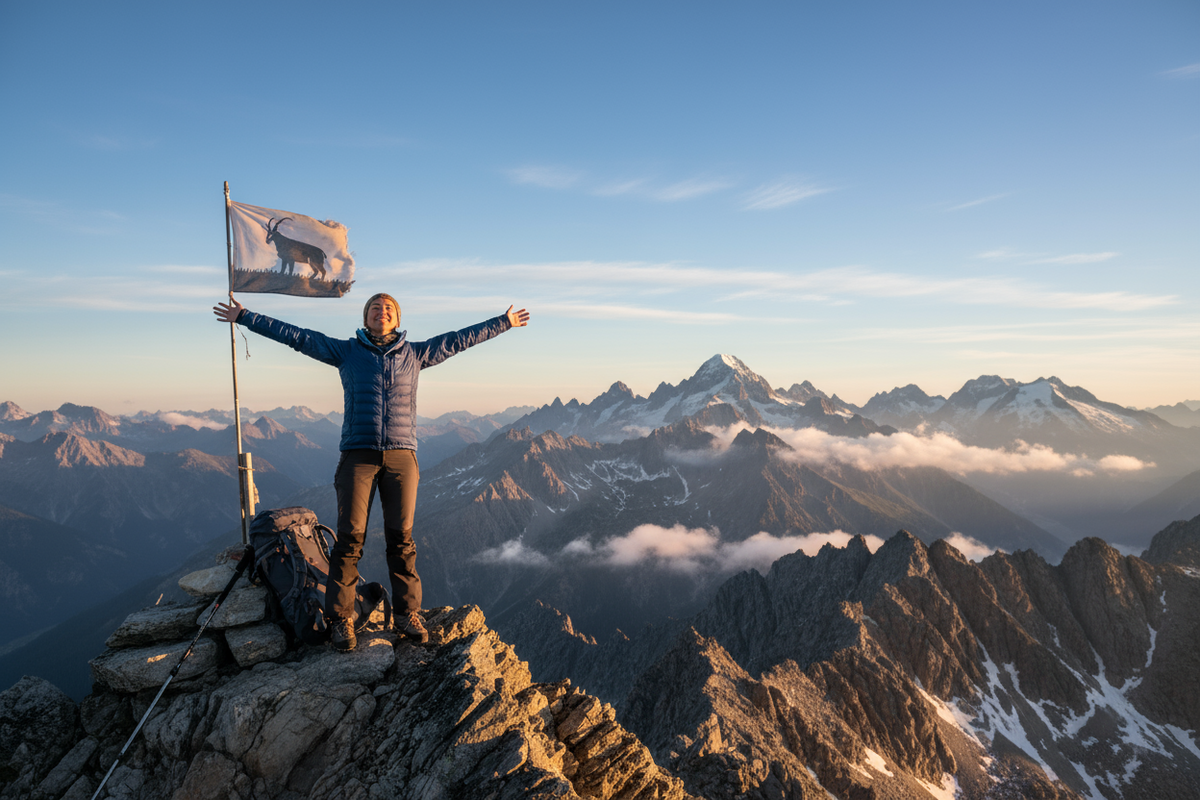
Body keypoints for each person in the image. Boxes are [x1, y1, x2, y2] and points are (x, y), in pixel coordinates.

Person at [213, 292, 530, 651]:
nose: (382, 312)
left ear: (397, 319)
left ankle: (407, 614)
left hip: (401, 457)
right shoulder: (347, 351)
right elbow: (297, 336)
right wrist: (245, 316)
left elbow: (458, 340)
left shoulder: (415, 354)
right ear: (366, 318)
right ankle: (341, 619)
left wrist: (503, 322)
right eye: (375, 309)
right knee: (349, 540)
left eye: (389, 309)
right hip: (358, 456)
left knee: (402, 539)